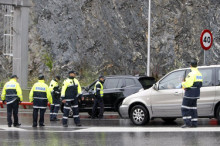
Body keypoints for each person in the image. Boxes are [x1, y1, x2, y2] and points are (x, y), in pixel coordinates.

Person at [181, 59, 203, 128]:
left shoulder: (191, 74)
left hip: (190, 94)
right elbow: (200, 84)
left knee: (184, 108)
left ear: (191, 65)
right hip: (196, 94)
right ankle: (194, 123)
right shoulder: (199, 73)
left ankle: (187, 123)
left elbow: (188, 84)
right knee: (193, 108)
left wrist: (182, 83)